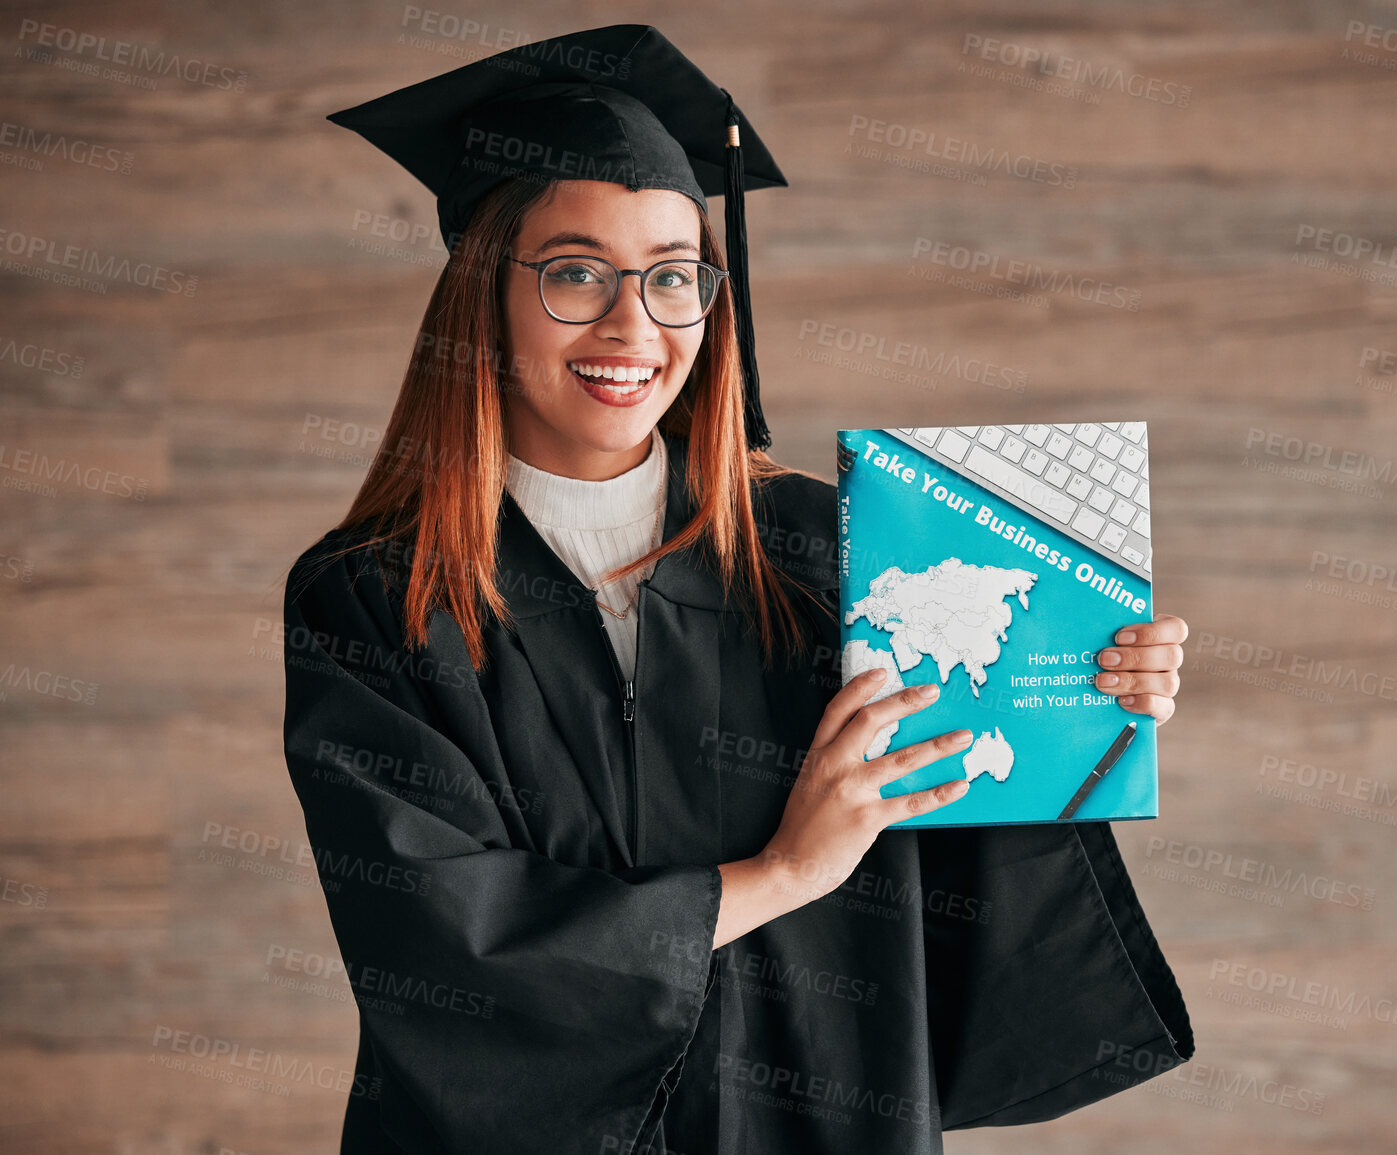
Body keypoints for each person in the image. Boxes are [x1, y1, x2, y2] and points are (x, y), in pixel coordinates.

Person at [283, 24, 1193, 1155]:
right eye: (576, 273)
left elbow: (961, 850)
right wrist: (779, 876)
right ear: (483, 294)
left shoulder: (832, 550)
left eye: (673, 277)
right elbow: (437, 938)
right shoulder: (375, 596)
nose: (635, 327)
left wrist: (1079, 690)